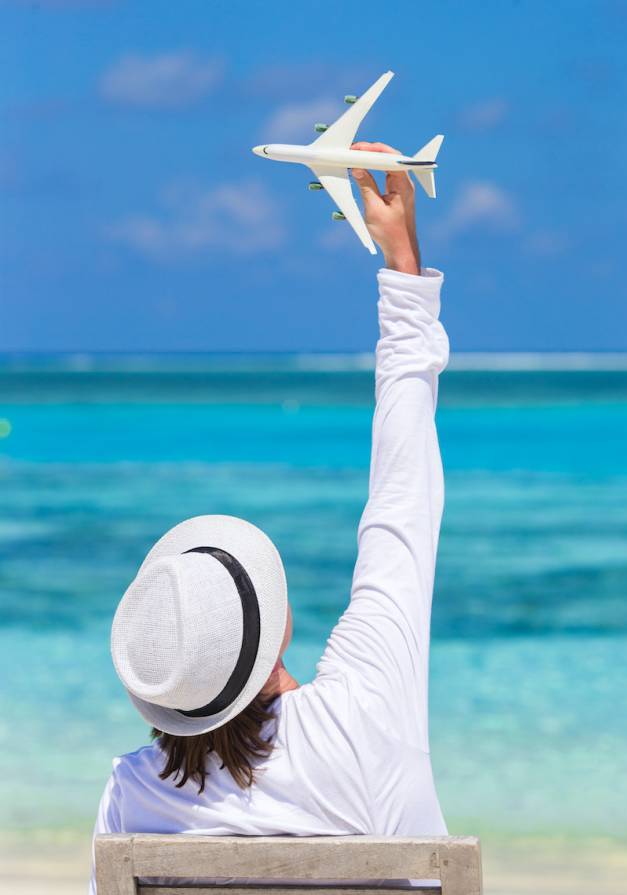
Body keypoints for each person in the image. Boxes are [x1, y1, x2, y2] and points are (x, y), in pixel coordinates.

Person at [89, 142, 450, 892]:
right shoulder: (364, 714)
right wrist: (402, 266)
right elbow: (403, 503)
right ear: (277, 627)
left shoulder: (134, 796)